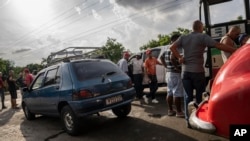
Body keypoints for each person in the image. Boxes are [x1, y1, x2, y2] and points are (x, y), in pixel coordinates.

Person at [170, 20, 236, 127]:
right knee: (200, 97)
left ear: (192, 28)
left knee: (188, 97)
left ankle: (188, 121)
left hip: (185, 72)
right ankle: (199, 120)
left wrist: (179, 57)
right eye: (203, 27)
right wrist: (236, 50)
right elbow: (218, 45)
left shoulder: (184, 37)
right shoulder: (202, 37)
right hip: (197, 72)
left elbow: (171, 47)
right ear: (200, 27)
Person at [161, 34, 184, 117]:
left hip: (169, 73)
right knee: (177, 93)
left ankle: (170, 110)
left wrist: (166, 66)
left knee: (170, 92)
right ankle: (179, 112)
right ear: (175, 40)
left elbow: (161, 58)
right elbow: (172, 58)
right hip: (175, 73)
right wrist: (177, 69)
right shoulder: (174, 49)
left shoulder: (167, 49)